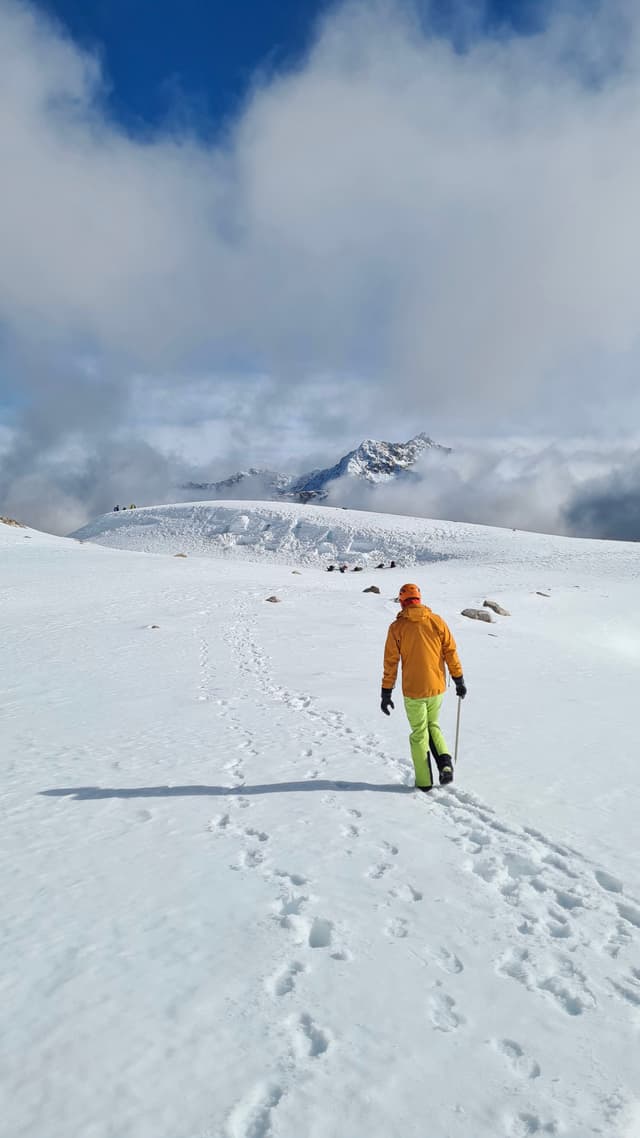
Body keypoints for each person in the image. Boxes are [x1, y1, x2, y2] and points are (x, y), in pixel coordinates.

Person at [380, 583, 467, 792]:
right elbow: (450, 652)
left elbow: (391, 662)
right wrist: (459, 679)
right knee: (433, 725)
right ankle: (445, 764)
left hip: (413, 690)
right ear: (419, 600)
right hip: (436, 687)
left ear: (402, 602)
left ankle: (424, 782)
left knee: (419, 733)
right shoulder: (437, 621)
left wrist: (386, 692)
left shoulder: (397, 628)